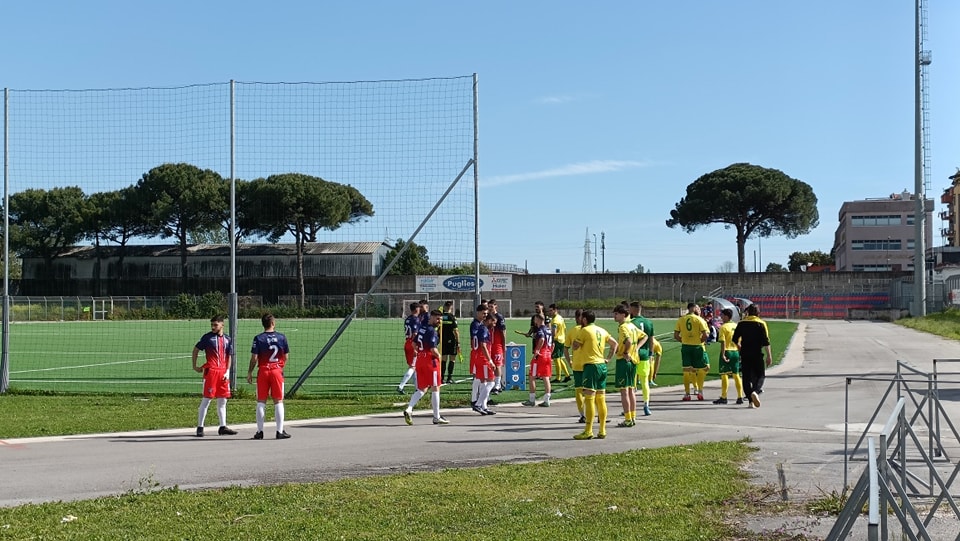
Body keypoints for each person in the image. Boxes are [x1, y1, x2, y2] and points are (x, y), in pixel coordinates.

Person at [571, 310, 618, 440]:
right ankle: (602, 429)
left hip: (590, 366)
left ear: (585, 319)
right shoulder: (602, 330)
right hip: (601, 365)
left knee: (589, 398)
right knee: (601, 398)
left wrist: (577, 338)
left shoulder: (584, 331)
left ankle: (588, 430)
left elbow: (575, 347)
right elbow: (614, 344)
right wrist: (608, 358)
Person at [246, 313, 291, 439]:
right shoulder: (282, 337)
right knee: (278, 401)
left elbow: (254, 358)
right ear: (272, 323)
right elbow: (286, 356)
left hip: (263, 371)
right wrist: (280, 367)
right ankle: (279, 431)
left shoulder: (258, 338)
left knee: (261, 401)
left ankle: (260, 432)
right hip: (276, 370)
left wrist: (250, 372)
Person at [192, 315, 237, 437]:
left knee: (222, 400)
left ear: (222, 325)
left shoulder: (228, 339)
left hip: (223, 372)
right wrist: (195, 366)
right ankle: (200, 427)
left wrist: (227, 371)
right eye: (212, 325)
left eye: (215, 325)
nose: (213, 327)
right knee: (207, 399)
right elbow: (195, 350)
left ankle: (223, 426)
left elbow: (229, 356)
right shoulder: (207, 338)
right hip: (211, 372)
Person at [403, 309, 449, 425]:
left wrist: (418, 351)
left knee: (422, 388)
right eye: (438, 319)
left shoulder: (422, 329)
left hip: (420, 360)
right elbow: (433, 349)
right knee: (435, 387)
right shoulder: (431, 331)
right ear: (432, 318)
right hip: (430, 361)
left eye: (440, 319)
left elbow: (413, 344)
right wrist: (439, 356)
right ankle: (436, 416)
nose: (439, 321)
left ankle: (409, 409)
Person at [732, 303, 773, 409]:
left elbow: (735, 339)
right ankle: (755, 391)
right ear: (758, 313)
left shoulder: (742, 323)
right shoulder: (761, 323)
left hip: (745, 353)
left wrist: (739, 346)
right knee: (760, 375)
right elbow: (766, 342)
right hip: (757, 353)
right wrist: (769, 356)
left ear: (748, 312)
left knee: (746, 377)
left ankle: (750, 401)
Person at [613, 305, 646, 426]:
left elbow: (628, 341)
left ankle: (627, 418)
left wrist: (626, 351)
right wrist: (636, 349)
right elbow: (645, 336)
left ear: (623, 315)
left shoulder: (623, 327)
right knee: (631, 390)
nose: (614, 316)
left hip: (624, 360)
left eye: (616, 314)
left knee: (624, 391)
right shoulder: (632, 326)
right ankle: (633, 416)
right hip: (633, 360)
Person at [674, 302, 710, 401]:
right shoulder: (699, 320)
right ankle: (700, 392)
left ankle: (687, 394)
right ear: (694, 308)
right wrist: (700, 341)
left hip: (686, 347)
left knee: (686, 371)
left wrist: (684, 341)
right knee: (701, 369)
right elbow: (706, 335)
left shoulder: (681, 319)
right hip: (697, 347)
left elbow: (676, 335)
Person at [469, 303, 497, 415]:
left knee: (483, 381)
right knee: (490, 382)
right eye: (484, 313)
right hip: (482, 357)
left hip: (479, 356)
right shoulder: (482, 328)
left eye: (486, 313)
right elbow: (482, 344)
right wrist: (490, 360)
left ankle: (483, 405)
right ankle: (477, 403)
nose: (485, 315)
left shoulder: (480, 326)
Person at [713, 308, 745, 405]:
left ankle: (724, 396)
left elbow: (723, 342)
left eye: (722, 315)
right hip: (735, 351)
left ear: (727, 316)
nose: (721, 317)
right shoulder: (736, 326)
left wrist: (722, 354)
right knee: (736, 375)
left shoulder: (724, 327)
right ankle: (740, 396)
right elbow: (740, 341)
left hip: (727, 351)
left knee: (724, 374)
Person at [521, 313, 554, 407]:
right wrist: (549, 352)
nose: (534, 321)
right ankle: (547, 400)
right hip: (547, 354)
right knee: (546, 377)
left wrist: (537, 350)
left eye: (535, 319)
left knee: (532, 376)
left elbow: (542, 339)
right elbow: (553, 344)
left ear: (538, 320)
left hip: (540, 355)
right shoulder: (549, 330)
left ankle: (532, 399)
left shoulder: (540, 329)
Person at [629, 302, 654, 415]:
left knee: (632, 382)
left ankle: (630, 407)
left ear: (633, 310)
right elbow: (651, 340)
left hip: (633, 354)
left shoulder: (631, 323)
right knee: (644, 382)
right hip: (644, 354)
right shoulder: (649, 322)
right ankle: (646, 405)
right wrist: (651, 354)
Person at [564, 309, 587, 423]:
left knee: (579, 389)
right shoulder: (588, 329)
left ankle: (583, 414)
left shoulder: (572, 331)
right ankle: (595, 414)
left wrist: (569, 361)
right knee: (593, 390)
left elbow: (565, 348)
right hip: (589, 364)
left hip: (577, 364)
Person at [397, 302, 420, 394]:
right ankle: (401, 386)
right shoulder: (416, 319)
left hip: (407, 343)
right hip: (412, 344)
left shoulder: (407, 319)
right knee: (413, 367)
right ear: (416, 309)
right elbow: (415, 333)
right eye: (419, 308)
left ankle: (417, 388)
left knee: (414, 366)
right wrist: (415, 347)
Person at [547, 303, 572, 383]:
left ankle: (558, 378)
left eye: (551, 311)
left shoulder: (555, 320)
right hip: (562, 339)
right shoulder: (560, 318)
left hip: (557, 340)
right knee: (560, 358)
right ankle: (567, 375)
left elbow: (553, 332)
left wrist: (551, 340)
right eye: (549, 311)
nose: (550, 312)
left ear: (555, 310)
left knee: (556, 359)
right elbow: (564, 329)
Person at [487, 299, 508, 392]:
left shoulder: (499, 317)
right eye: (489, 307)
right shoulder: (487, 316)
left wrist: (503, 344)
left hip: (497, 345)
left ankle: (498, 385)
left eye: (492, 306)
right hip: (489, 344)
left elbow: (503, 331)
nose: (490, 308)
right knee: (490, 364)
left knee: (498, 364)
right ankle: (492, 383)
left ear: (496, 306)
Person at [440, 300, 460, 384]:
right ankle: (449, 378)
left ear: (444, 307)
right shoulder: (452, 317)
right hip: (451, 341)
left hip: (443, 340)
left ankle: (441, 378)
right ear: (451, 308)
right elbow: (456, 331)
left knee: (443, 359)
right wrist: (458, 342)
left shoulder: (440, 317)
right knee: (452, 359)